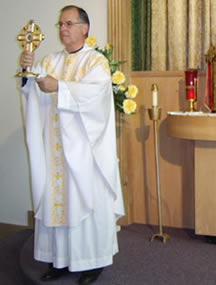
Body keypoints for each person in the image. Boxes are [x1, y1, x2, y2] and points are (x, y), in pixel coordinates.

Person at [19, 5, 124, 285]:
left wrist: (61, 88)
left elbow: (96, 97)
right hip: (56, 151)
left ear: (84, 28)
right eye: (60, 24)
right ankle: (61, 260)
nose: (62, 29)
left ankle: (92, 262)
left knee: (83, 202)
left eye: (68, 23)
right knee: (59, 202)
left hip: (85, 154)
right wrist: (26, 69)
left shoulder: (95, 62)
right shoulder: (50, 60)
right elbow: (32, 87)